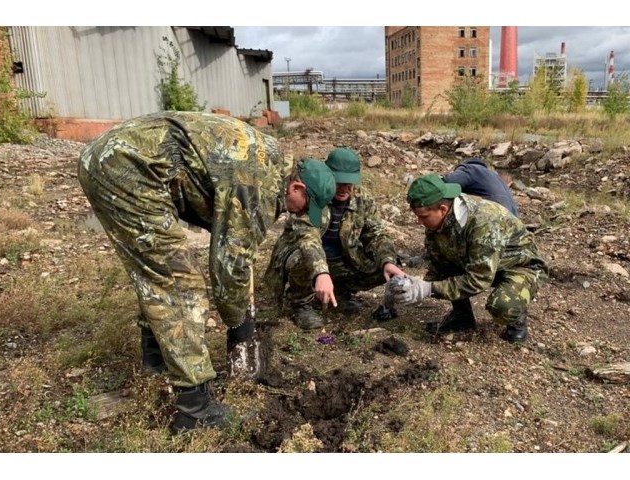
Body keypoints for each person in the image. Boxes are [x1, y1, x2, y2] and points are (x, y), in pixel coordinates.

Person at [77, 112, 336, 434]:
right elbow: (229, 267)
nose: (295, 213)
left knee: (156, 272)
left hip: (117, 157)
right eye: (302, 205)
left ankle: (157, 363)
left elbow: (228, 234)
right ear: (296, 185)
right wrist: (238, 324)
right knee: (178, 284)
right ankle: (194, 408)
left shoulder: (271, 160)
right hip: (128, 167)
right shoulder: (257, 187)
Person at [387, 173, 547, 343]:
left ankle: (516, 317)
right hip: (483, 262)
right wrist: (414, 285)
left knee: (502, 306)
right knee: (444, 269)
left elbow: (479, 279)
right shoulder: (439, 219)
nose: (419, 222)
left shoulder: (483, 222)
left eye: (423, 216)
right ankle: (462, 318)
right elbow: (438, 264)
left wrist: (428, 289)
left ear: (442, 209)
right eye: (417, 216)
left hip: (519, 266)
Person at [264, 147, 405, 330]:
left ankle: (339, 293)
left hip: (343, 258)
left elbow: (376, 232)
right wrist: (321, 273)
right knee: (302, 257)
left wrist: (387, 260)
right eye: (340, 182)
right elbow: (308, 239)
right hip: (309, 257)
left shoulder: (362, 199)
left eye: (350, 183)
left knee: (384, 265)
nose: (345, 188)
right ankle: (301, 302)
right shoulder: (313, 194)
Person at [442, 157, 518, 216]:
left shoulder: (469, 169)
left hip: (496, 219)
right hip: (514, 221)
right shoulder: (494, 175)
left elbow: (446, 183)